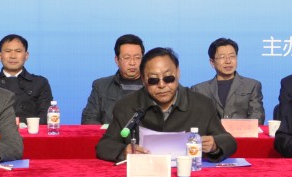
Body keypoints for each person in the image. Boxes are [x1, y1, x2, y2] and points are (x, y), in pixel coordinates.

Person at [96, 47, 237, 162]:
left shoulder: (202, 104)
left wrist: (214, 145)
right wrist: (124, 151)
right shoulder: (126, 106)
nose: (162, 85)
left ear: (178, 73)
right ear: (143, 80)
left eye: (168, 78)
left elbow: (228, 141)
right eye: (153, 80)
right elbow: (104, 145)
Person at [190, 37, 265, 123]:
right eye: (222, 57)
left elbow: (257, 116)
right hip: (212, 132)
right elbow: (196, 119)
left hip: (242, 131)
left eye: (232, 56)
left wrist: (236, 128)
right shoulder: (199, 90)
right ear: (212, 62)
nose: (228, 61)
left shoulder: (252, 85)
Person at [0, 34, 54, 123]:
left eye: (18, 51)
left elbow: (45, 116)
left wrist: (23, 124)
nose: (13, 56)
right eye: (8, 51)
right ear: (0, 56)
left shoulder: (40, 83)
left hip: (32, 131)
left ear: (26, 55)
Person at [81, 34, 145, 125]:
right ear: (117, 60)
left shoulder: (154, 85)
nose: (132, 62)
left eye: (137, 58)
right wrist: (111, 131)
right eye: (127, 58)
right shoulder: (101, 86)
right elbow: (88, 119)